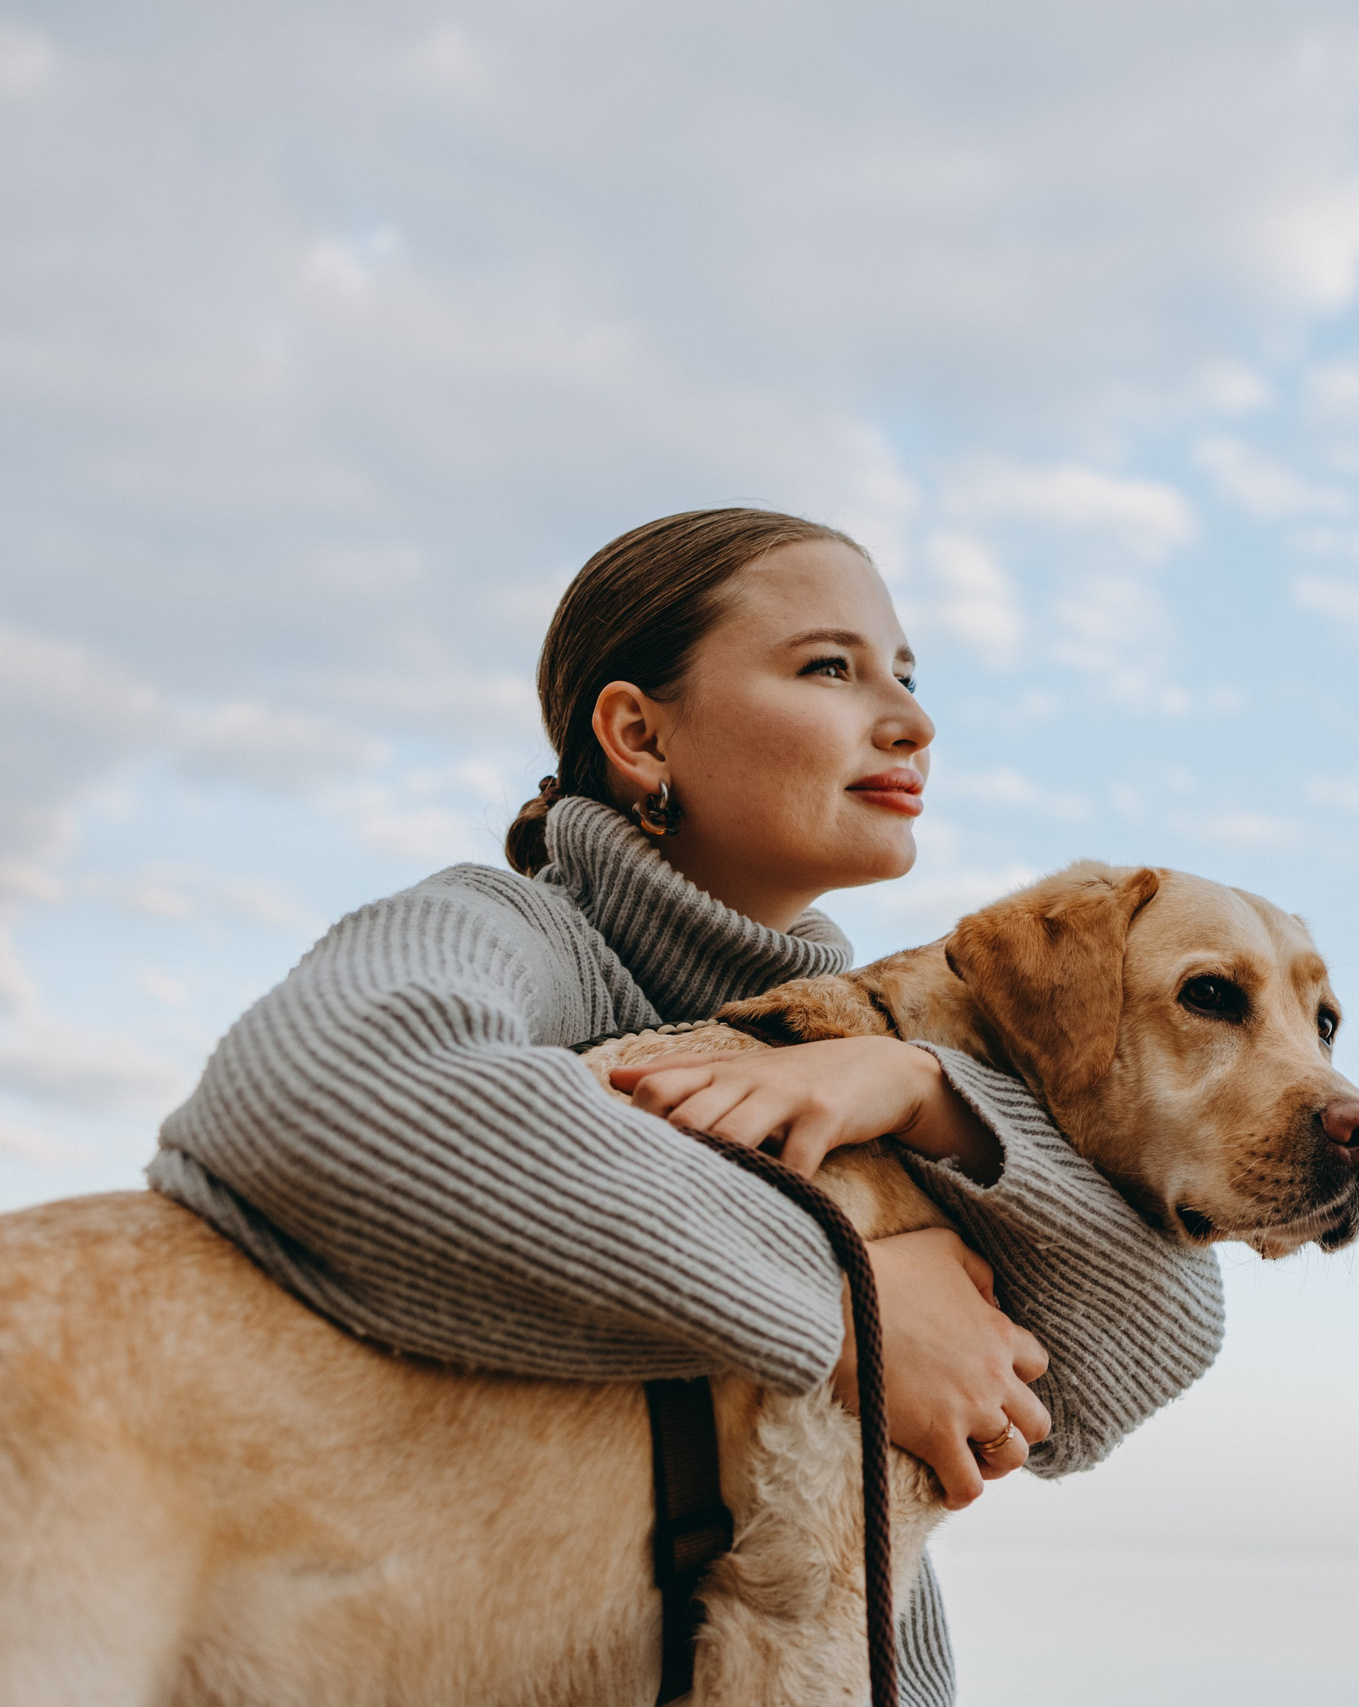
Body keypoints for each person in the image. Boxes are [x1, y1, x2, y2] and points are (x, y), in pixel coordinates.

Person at [146, 507, 1223, 1704]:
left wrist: (925, 1097)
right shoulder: (517, 934)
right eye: (830, 666)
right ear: (637, 735)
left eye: (909, 676)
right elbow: (323, 1093)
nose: (912, 720)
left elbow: (1137, 1346)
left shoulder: (877, 1038)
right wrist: (850, 1292)